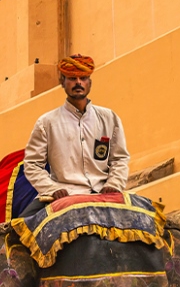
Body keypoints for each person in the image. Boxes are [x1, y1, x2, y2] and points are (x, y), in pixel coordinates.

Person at [23, 54, 128, 209]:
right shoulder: (46, 123)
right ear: (62, 82)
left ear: (89, 83)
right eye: (72, 78)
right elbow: (32, 164)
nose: (78, 82)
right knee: (20, 229)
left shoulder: (109, 118)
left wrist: (114, 184)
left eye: (83, 78)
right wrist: (53, 189)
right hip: (63, 194)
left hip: (103, 192)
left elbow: (119, 159)